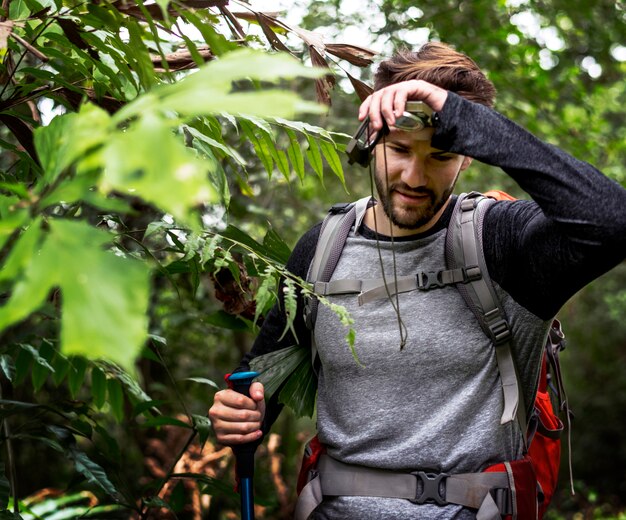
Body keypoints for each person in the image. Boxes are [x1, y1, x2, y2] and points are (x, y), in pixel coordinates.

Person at [209, 42, 626, 519]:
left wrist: (464, 119)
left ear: (467, 156)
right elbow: (262, 380)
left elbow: (612, 221)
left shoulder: (502, 243)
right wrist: (239, 414)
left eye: (440, 156)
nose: (414, 176)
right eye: (399, 149)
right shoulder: (322, 248)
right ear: (371, 138)